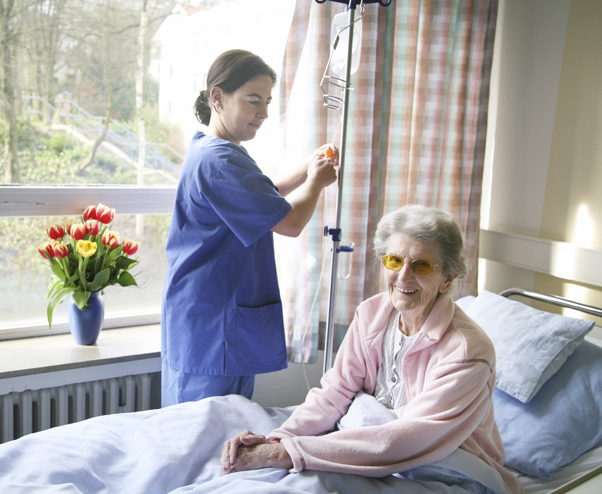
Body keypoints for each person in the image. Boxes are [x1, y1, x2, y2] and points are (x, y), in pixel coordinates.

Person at [220, 204, 523, 494]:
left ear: (447, 279)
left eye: (421, 265)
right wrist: (280, 437)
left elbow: (405, 441)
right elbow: (334, 394)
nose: (403, 276)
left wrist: (285, 453)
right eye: (394, 260)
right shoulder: (372, 314)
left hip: (449, 468)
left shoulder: (467, 353)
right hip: (376, 452)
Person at [161, 49, 339, 408]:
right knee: (204, 434)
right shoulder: (220, 159)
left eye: (268, 101)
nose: (264, 113)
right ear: (217, 97)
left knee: (226, 431)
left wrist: (308, 168)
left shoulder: (217, 150)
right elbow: (288, 223)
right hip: (213, 325)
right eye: (253, 100)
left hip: (213, 318)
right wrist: (317, 183)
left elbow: (263, 195)